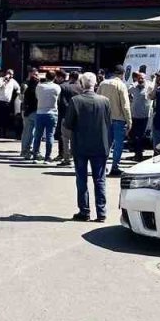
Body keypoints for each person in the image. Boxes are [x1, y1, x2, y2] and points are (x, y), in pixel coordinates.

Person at [62, 72, 111, 222]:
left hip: (81, 145)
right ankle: (101, 212)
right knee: (100, 179)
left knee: (82, 179)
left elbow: (68, 123)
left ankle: (84, 211)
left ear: (82, 85)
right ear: (95, 84)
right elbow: (108, 122)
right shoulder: (104, 101)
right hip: (100, 145)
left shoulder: (75, 101)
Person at [97, 65, 132, 177]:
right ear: (122, 74)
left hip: (104, 118)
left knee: (105, 144)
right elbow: (125, 105)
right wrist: (129, 121)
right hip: (118, 119)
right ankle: (114, 167)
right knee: (118, 145)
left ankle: (101, 167)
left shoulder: (103, 84)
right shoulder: (121, 85)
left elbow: (96, 99)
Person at [31, 72, 61, 163]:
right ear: (54, 77)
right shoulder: (57, 87)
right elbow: (58, 98)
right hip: (52, 113)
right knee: (50, 135)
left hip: (40, 112)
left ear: (46, 77)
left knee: (37, 135)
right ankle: (47, 157)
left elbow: (37, 97)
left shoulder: (39, 86)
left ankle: (35, 156)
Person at [56, 70, 84, 166]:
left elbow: (61, 102)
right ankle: (75, 157)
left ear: (70, 77)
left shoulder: (63, 87)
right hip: (79, 117)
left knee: (65, 138)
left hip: (66, 116)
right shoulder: (82, 88)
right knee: (76, 138)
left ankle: (66, 158)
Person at [128, 71, 152, 161]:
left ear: (145, 78)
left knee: (140, 136)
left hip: (144, 116)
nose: (141, 80)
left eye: (142, 78)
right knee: (134, 136)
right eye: (139, 78)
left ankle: (139, 155)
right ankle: (137, 153)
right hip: (135, 115)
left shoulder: (149, 86)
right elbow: (126, 92)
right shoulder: (134, 86)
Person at [0, 69, 21, 139]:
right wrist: (5, 80)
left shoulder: (13, 81)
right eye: (9, 73)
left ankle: (4, 133)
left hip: (7, 102)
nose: (10, 75)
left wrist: (18, 92)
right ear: (6, 73)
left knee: (6, 118)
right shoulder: (1, 79)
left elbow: (18, 88)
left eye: (12, 74)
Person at [19, 72, 41, 159]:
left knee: (26, 133)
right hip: (35, 112)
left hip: (27, 112)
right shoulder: (37, 90)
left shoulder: (27, 89)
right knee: (35, 133)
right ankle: (32, 151)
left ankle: (24, 151)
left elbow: (22, 99)